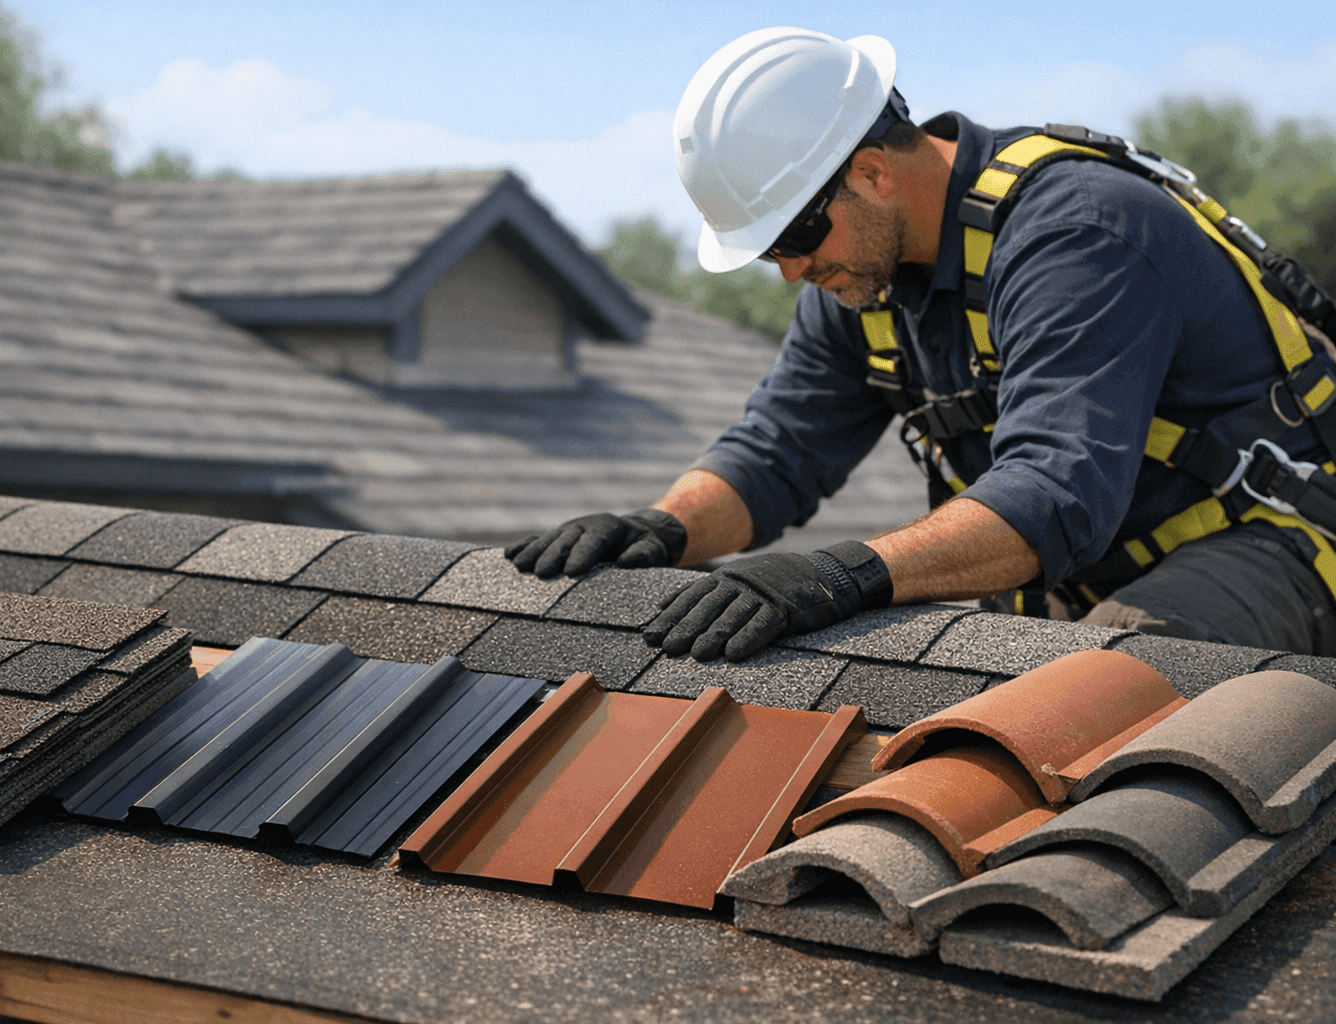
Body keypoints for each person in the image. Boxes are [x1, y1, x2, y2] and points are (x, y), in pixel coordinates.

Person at [505, 27, 1336, 662]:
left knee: (1092, 704)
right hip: (1086, 571)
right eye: (767, 253)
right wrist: (661, 528)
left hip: (1266, 543)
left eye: (794, 236)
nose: (792, 272)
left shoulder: (1076, 234)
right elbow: (777, 453)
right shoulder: (861, 276)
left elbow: (1054, 496)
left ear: (871, 172)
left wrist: (837, 577)